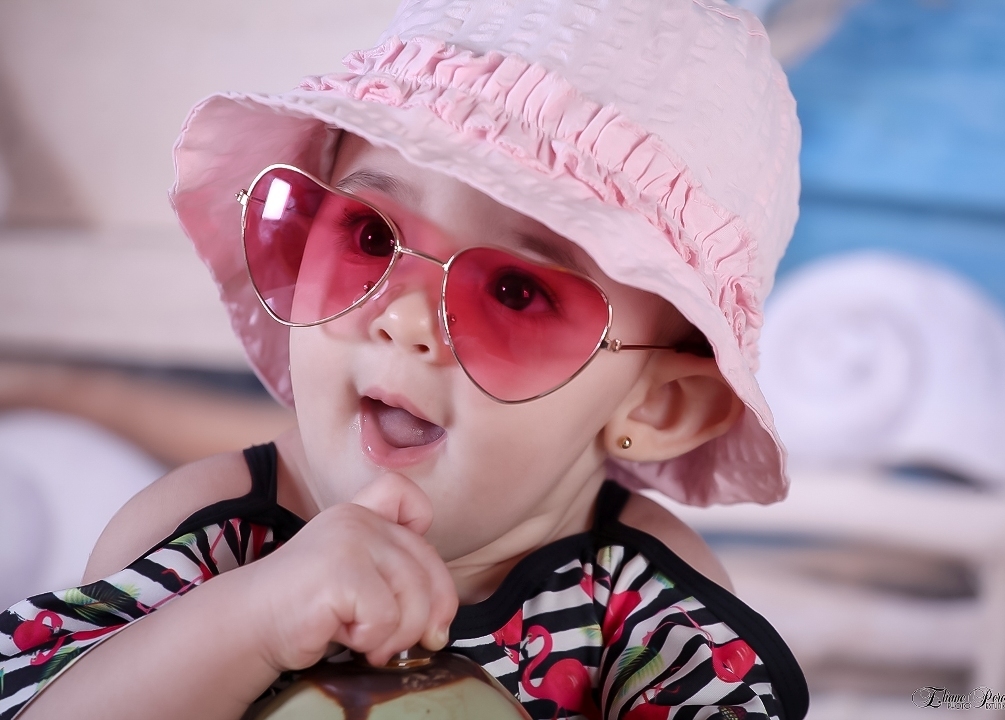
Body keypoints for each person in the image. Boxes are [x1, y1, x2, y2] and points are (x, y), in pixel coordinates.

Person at [0, 0, 807, 718]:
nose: (406, 318)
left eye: (516, 292)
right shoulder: (207, 534)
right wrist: (248, 623)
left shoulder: (645, 596)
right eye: (370, 234)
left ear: (656, 404)